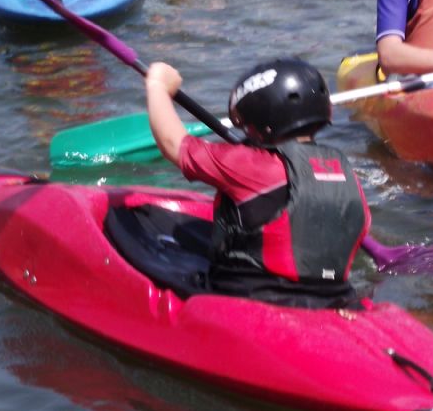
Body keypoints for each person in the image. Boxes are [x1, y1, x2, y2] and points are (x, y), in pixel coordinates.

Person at [145, 57, 370, 309]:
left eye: (248, 127)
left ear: (261, 123)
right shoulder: (344, 169)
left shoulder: (249, 164)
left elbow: (173, 144)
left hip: (256, 297)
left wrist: (157, 86)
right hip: (337, 297)